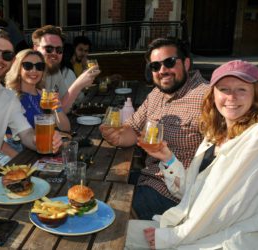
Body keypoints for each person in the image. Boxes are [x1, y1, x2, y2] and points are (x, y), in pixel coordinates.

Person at [125, 60, 258, 250]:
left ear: (255, 95)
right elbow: (191, 192)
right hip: (185, 228)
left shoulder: (253, 139)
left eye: (242, 89)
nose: (231, 97)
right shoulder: (214, 137)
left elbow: (220, 211)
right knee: (114, 229)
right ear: (213, 95)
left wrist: (170, 238)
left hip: (221, 241)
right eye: (224, 89)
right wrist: (167, 158)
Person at [100, 37, 209, 220]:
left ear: (187, 63)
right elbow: (133, 129)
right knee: (97, 187)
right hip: (147, 177)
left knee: (108, 215)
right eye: (155, 66)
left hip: (174, 196)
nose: (162, 70)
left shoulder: (208, 97)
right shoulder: (157, 93)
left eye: (170, 62)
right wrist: (117, 135)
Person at [0, 27, 62, 167]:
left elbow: (26, 134)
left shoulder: (9, 98)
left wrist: (41, 141)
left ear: (12, 61)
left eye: (6, 55)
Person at [32, 25, 100, 113]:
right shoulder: (27, 74)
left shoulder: (55, 72)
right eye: (49, 48)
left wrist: (81, 84)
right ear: (35, 48)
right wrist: (78, 84)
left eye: (59, 50)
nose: (54, 53)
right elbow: (43, 115)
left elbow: (63, 108)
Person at [6, 49, 70, 131]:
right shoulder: (10, 96)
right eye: (28, 66)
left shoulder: (44, 95)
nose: (34, 70)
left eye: (39, 66)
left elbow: (66, 129)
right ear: (18, 69)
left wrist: (57, 108)